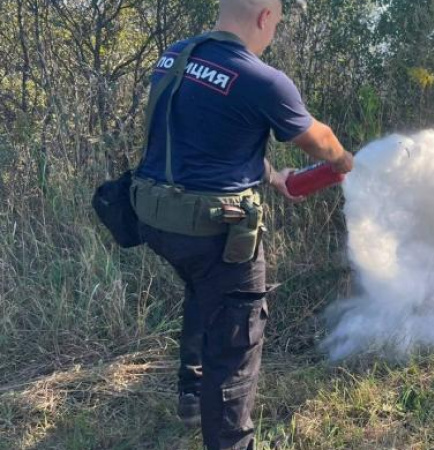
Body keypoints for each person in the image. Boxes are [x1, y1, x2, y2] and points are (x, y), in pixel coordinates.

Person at [131, 0, 353, 449]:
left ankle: (191, 394)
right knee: (235, 344)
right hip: (215, 231)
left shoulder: (176, 55)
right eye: (276, 23)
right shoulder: (261, 79)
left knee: (201, 288)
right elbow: (323, 143)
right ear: (264, 17)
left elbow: (215, 141)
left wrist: (273, 178)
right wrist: (346, 161)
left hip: (157, 219)